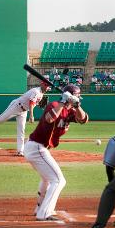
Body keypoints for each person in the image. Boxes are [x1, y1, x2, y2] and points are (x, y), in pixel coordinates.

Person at [24, 84, 89, 221]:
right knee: (59, 181)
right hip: (37, 147)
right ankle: (45, 213)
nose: (79, 99)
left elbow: (83, 120)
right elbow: (49, 118)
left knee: (47, 178)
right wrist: (62, 102)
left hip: (38, 148)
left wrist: (76, 105)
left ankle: (39, 208)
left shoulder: (71, 111)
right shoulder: (54, 104)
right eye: (77, 97)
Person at [0, 82, 51, 156]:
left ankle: (20, 151)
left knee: (21, 130)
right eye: (45, 85)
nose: (47, 87)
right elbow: (31, 103)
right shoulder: (36, 91)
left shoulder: (41, 94)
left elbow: (32, 103)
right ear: (41, 84)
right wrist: (31, 115)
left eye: (48, 86)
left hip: (23, 111)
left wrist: (37, 105)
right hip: (16, 106)